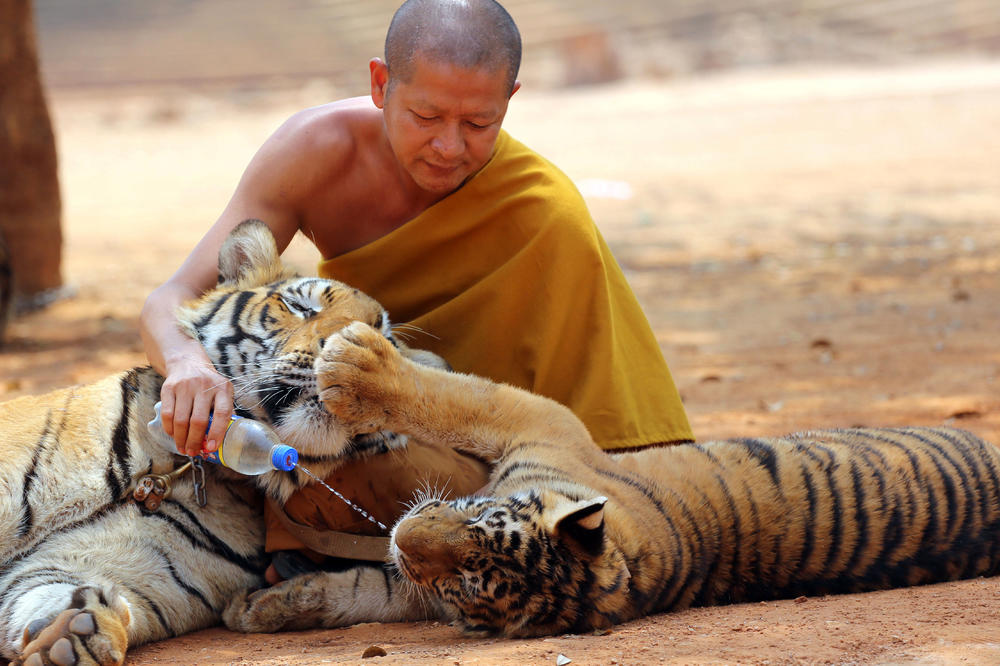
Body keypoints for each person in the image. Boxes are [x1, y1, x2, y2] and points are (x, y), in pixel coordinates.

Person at [140, 0, 693, 581]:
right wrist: (185, 364)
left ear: (510, 100)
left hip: (489, 455)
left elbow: (604, 432)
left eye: (479, 123)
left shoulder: (546, 214)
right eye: (425, 116)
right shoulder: (314, 154)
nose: (449, 147)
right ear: (380, 84)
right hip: (352, 405)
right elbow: (170, 297)